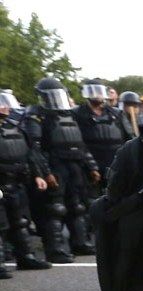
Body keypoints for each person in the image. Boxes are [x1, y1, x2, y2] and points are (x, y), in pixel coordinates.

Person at [24, 77, 100, 260]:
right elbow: (35, 148)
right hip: (55, 164)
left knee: (78, 206)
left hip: (74, 165)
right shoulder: (37, 116)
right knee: (55, 208)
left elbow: (80, 144)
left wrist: (91, 166)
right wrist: (45, 172)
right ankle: (55, 249)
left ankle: (80, 242)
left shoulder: (69, 115)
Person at [0, 91, 52, 274]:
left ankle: (26, 257)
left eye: (5, 103)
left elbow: (30, 154)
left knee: (20, 222)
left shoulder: (16, 127)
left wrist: (38, 175)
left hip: (17, 182)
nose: (4, 107)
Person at [73, 81, 131, 185]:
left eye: (99, 91)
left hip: (115, 164)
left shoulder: (117, 113)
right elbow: (76, 141)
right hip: (89, 165)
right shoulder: (77, 113)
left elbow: (130, 138)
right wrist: (90, 166)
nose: (97, 94)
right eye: (93, 91)